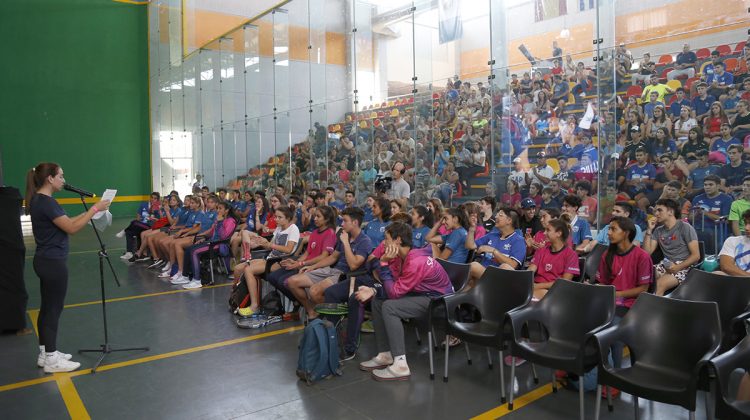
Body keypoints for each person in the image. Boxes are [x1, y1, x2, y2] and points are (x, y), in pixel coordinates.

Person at [25, 163, 111, 372]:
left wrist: (88, 215)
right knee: (53, 309)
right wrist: (94, 209)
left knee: (47, 309)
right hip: (53, 262)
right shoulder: (46, 202)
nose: (64, 180)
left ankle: (46, 353)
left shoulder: (40, 200)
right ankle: (52, 360)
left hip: (45, 260)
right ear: (50, 179)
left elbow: (65, 223)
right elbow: (71, 228)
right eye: (61, 176)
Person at [355, 222, 452, 381]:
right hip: (421, 294)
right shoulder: (402, 257)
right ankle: (385, 354)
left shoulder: (415, 262)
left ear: (398, 240)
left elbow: (393, 293)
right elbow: (392, 285)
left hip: (439, 301)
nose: (383, 243)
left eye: (386, 239)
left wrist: (384, 263)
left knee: (389, 307)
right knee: (378, 301)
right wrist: (373, 290)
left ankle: (400, 365)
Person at [287, 207, 372, 321]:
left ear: (355, 222)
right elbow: (333, 257)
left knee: (314, 292)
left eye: (345, 221)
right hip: (333, 270)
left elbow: (353, 265)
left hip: (345, 275)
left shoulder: (364, 241)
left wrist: (346, 243)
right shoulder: (345, 236)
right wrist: (312, 267)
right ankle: (312, 311)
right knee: (292, 282)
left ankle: (339, 314)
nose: (342, 224)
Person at [595, 216, 652, 373]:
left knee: (612, 327)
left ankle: (616, 373)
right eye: (609, 229)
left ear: (626, 233)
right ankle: (590, 367)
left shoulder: (642, 256)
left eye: (613, 229)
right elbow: (603, 283)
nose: (609, 233)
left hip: (631, 306)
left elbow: (643, 289)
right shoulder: (607, 255)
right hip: (609, 302)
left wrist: (617, 293)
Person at [235, 206, 300, 316]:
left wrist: (270, 245)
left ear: (288, 218)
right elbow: (271, 247)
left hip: (281, 261)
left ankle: (254, 305)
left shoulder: (293, 229)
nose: (276, 220)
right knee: (238, 268)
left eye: (280, 217)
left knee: (248, 270)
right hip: (270, 258)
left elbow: (288, 249)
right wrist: (263, 243)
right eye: (276, 217)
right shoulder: (279, 228)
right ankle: (237, 298)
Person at [266, 206, 337, 305]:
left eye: (318, 216)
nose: (314, 219)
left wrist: (301, 263)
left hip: (315, 266)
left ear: (327, 219)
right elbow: (307, 253)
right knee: (272, 277)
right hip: (304, 263)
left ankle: (303, 304)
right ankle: (298, 300)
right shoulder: (315, 232)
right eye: (314, 216)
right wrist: (296, 262)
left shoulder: (330, 233)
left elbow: (323, 257)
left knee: (283, 281)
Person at [643, 199, 701, 296]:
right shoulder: (658, 230)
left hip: (685, 267)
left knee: (660, 284)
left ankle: (654, 310)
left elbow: (696, 256)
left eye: (660, 210)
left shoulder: (685, 227)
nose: (656, 214)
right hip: (666, 264)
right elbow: (646, 253)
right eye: (655, 211)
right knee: (644, 276)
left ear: (670, 211)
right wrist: (649, 230)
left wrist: (677, 267)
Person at [181, 201, 239, 290]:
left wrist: (220, 223)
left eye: (220, 208)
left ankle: (197, 280)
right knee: (189, 249)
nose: (218, 210)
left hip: (219, 245)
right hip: (211, 242)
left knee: (194, 252)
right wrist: (204, 238)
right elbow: (212, 232)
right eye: (217, 208)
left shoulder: (230, 221)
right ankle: (185, 276)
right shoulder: (219, 218)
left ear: (226, 210)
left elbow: (224, 236)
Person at [465, 207, 527, 286]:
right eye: (497, 214)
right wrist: (471, 229)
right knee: (472, 276)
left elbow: (512, 265)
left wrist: (494, 251)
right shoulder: (492, 235)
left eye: (500, 215)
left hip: (501, 280)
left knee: (475, 266)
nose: (496, 217)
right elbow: (470, 246)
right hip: (484, 273)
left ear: (509, 221)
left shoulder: (518, 240)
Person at [528, 219, 580, 299]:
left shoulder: (571, 255)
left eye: (548, 230)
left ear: (559, 233)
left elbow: (564, 282)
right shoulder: (541, 250)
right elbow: (530, 270)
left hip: (554, 292)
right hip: (535, 287)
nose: (544, 233)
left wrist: (537, 286)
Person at [718, 209, 750, 276]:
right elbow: (726, 267)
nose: (746, 228)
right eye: (746, 223)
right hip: (735, 280)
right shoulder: (732, 241)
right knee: (717, 274)